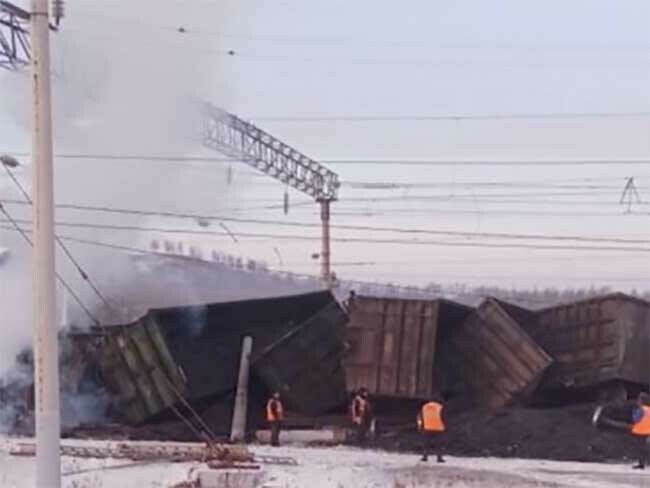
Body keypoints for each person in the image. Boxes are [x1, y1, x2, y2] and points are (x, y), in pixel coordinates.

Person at [417, 396, 446, 463]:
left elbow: (420, 417)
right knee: (439, 444)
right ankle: (439, 458)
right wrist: (445, 426)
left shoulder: (424, 407)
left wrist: (420, 426)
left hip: (427, 427)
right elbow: (443, 417)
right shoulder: (440, 407)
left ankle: (425, 457)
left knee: (426, 443)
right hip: (438, 428)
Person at [631, 392, 650, 469]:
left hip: (640, 431)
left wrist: (634, 413)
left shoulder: (641, 409)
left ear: (641, 401)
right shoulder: (649, 409)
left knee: (640, 448)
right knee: (646, 447)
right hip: (648, 431)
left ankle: (641, 464)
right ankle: (647, 462)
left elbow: (636, 419)